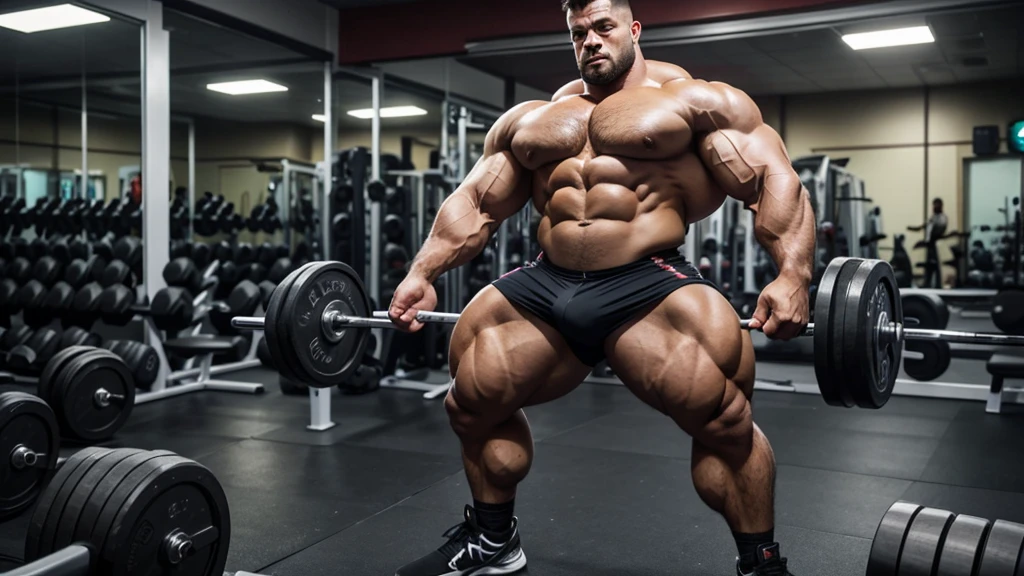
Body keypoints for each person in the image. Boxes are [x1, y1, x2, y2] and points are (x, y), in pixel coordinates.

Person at [387, 1, 816, 574]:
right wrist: (422, 273)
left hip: (647, 282)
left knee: (723, 420)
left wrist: (794, 276)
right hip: (546, 280)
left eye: (603, 28)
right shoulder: (534, 117)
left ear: (634, 30)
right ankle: (493, 541)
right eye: (578, 32)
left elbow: (771, 180)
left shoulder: (694, 100)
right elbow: (477, 202)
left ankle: (761, 563)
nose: (590, 41)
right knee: (470, 403)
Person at [908, 198, 948, 288]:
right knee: (929, 265)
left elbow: (940, 230)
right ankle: (927, 283)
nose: (934, 207)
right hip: (930, 244)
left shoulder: (942, 218)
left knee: (936, 265)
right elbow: (923, 226)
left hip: (936, 244)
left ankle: (938, 284)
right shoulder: (932, 217)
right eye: (934, 205)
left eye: (936, 205)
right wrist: (913, 228)